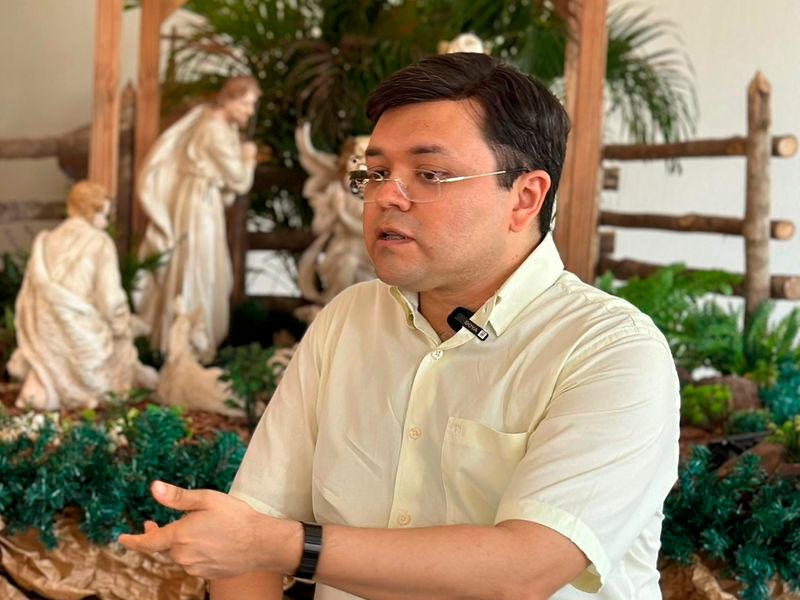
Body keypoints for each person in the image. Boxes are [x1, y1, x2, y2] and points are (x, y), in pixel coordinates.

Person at [120, 53, 679, 599]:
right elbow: (249, 533)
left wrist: (289, 547)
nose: (387, 194)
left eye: (430, 173)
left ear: (525, 198)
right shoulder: (348, 321)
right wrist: (259, 545)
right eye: (377, 172)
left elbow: (524, 569)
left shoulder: (611, 351)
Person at [135, 76, 260, 361]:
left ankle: (196, 340)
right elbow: (239, 181)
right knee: (199, 266)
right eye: (246, 104)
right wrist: (248, 158)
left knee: (207, 266)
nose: (249, 112)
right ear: (230, 100)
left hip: (204, 201)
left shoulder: (218, 125)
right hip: (197, 206)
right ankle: (189, 342)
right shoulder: (214, 130)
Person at [9, 180, 158, 410]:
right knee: (111, 370)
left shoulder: (46, 240)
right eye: (104, 215)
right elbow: (109, 298)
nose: (105, 222)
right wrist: (121, 325)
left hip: (46, 330)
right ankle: (76, 394)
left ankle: (45, 387)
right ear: (92, 211)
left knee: (46, 372)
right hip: (82, 329)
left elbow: (30, 294)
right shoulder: (100, 242)